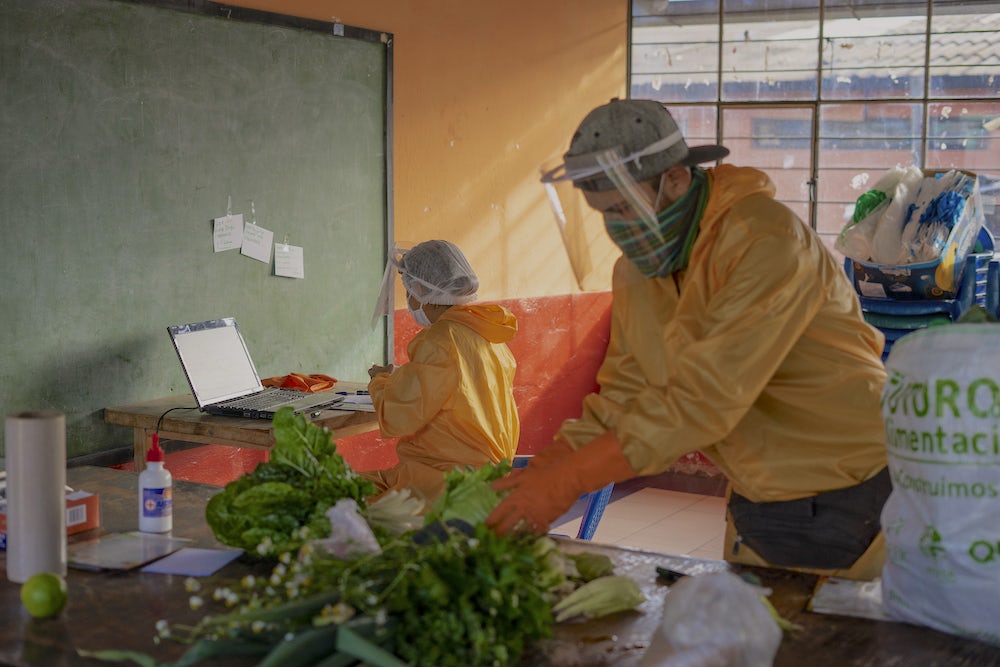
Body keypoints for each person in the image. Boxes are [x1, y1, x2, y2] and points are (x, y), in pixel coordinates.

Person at [486, 98, 890, 580]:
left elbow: (703, 399)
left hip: (848, 485)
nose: (616, 230)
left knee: (836, 642)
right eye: (602, 214)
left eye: (622, 207)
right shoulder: (641, 270)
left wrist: (570, 479)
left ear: (676, 177)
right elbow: (624, 395)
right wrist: (548, 469)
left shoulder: (764, 241)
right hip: (753, 489)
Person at [363, 239, 520, 506]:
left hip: (444, 486)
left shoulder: (440, 339)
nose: (409, 299)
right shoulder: (486, 333)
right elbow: (459, 388)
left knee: (337, 501)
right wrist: (400, 376)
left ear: (423, 290)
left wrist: (380, 380)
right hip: (484, 479)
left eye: (409, 290)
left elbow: (400, 413)